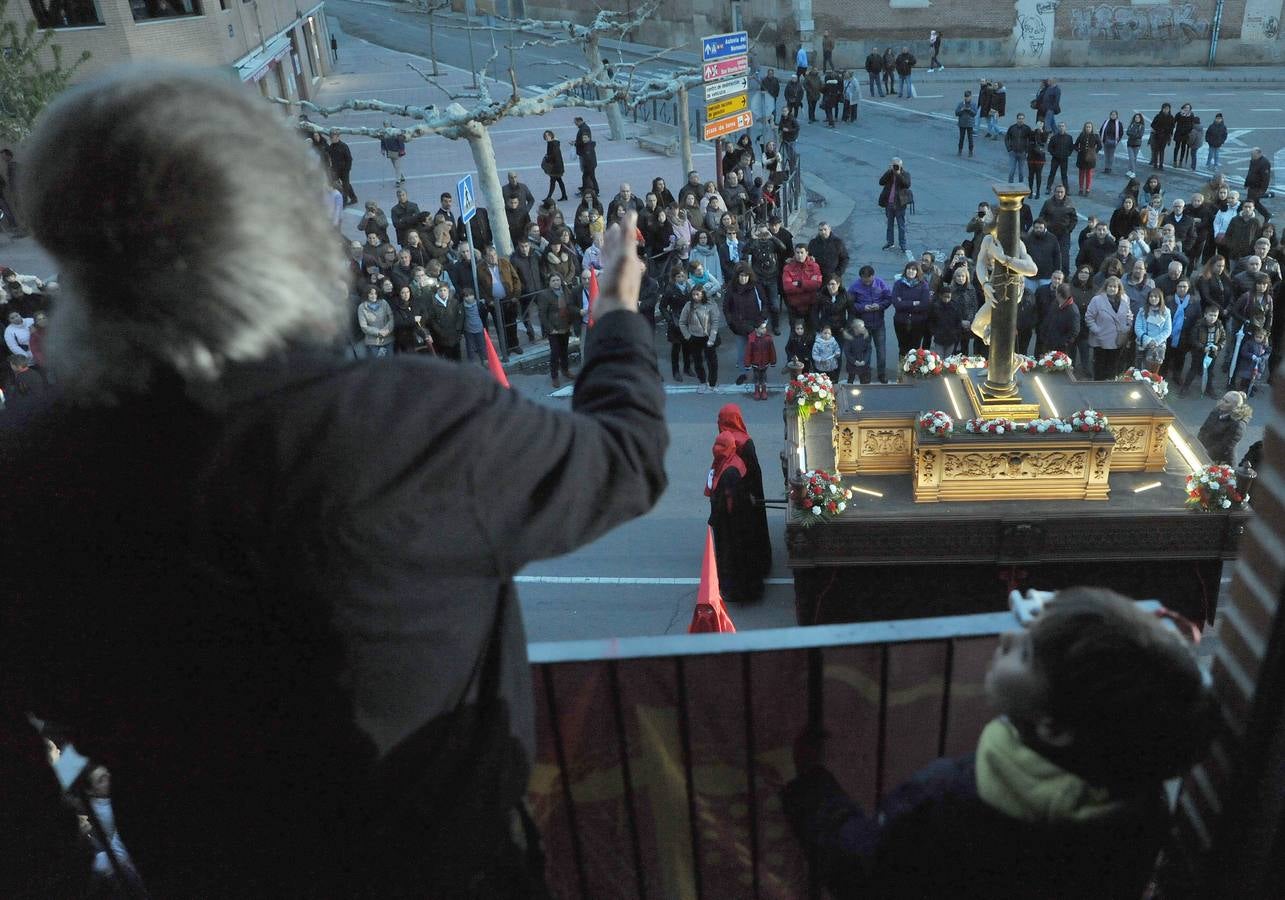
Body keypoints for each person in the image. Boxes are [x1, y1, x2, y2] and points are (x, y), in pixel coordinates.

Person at [2, 67, 669, 898]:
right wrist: (616, 311)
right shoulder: (411, 427)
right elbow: (627, 457)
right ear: (281, 234)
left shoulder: (29, 471)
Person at [784, 587, 1215, 900]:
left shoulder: (947, 799)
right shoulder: (1139, 800)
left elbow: (861, 868)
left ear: (1053, 726)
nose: (1007, 638)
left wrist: (811, 788)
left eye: (1026, 654)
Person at [706, 433, 762, 604]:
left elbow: (728, 502)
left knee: (733, 557)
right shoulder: (733, 463)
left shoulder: (729, 471)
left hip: (732, 526)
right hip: (740, 522)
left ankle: (736, 591)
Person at [850, 265, 893, 383]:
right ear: (861, 278)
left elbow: (889, 298)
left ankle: (882, 374)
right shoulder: (855, 287)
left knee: (881, 351)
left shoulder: (881, 284)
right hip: (864, 326)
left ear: (873, 276)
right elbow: (850, 304)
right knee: (865, 352)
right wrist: (863, 308)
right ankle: (866, 374)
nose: (867, 283)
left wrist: (880, 306)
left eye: (869, 281)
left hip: (879, 324)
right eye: (864, 281)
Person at [1085, 275, 1133, 378]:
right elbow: (1089, 317)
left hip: (1117, 340)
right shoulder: (1097, 300)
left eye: (1115, 287)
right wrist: (1097, 330)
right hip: (1101, 340)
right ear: (1105, 287)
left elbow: (1129, 314)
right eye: (1110, 286)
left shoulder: (1125, 299)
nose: (1112, 289)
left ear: (1119, 288)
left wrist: (1127, 326)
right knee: (1100, 367)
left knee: (1113, 367)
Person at [679, 285, 724, 390]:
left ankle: (712, 383)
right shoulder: (688, 306)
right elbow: (682, 322)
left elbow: (715, 322)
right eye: (693, 294)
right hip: (694, 337)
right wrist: (688, 336)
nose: (695, 297)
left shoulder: (709, 305)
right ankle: (703, 381)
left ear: (702, 294)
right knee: (697, 361)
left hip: (708, 337)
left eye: (697, 294)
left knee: (712, 361)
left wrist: (712, 339)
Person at [1177, 303, 1225, 397]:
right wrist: (1203, 347)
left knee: (1210, 372)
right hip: (1198, 352)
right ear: (1205, 315)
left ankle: (1209, 389)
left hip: (1212, 352)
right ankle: (1185, 388)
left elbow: (1223, 338)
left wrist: (1218, 347)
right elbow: (1193, 339)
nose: (1212, 318)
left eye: (1215, 315)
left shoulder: (1219, 325)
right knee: (1193, 370)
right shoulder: (1199, 325)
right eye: (1210, 315)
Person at [1198, 391, 1252, 464]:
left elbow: (1224, 446)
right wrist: (1198, 444)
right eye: (1223, 399)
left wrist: (1205, 454)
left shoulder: (1238, 424)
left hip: (1219, 460)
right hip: (1203, 450)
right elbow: (1204, 429)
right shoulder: (1217, 411)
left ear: (1235, 407)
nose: (1222, 402)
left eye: (1226, 402)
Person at [892, 260, 932, 355]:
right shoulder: (899, 284)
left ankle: (912, 369)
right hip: (901, 321)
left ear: (918, 271)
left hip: (918, 322)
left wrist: (904, 303)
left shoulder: (923, 285)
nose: (911, 271)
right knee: (902, 347)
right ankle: (902, 368)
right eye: (909, 269)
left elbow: (924, 305)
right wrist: (914, 303)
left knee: (914, 349)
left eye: (914, 269)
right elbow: (896, 304)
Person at [879, 158, 912, 252]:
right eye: (893, 165)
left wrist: (898, 174)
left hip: (900, 205)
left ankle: (903, 244)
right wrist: (888, 171)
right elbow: (881, 182)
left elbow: (907, 184)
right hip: (889, 204)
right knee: (889, 225)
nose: (895, 167)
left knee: (901, 226)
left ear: (901, 166)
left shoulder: (905, 174)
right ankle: (890, 242)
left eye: (896, 165)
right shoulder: (889, 174)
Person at [745, 320, 777, 400]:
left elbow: (772, 351)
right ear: (756, 329)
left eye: (765, 328)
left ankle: (764, 391)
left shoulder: (768, 339)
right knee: (756, 377)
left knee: (763, 377)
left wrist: (773, 361)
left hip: (765, 363)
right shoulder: (752, 339)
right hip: (755, 363)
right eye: (762, 328)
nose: (764, 330)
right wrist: (747, 364)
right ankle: (756, 391)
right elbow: (748, 352)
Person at [325, 129, 358, 206]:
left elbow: (349, 158)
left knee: (345, 185)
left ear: (338, 137)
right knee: (341, 184)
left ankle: (344, 202)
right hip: (336, 169)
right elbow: (328, 154)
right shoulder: (331, 146)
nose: (331, 139)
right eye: (331, 137)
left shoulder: (344, 146)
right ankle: (354, 198)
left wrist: (347, 169)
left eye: (333, 137)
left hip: (344, 169)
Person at [1073, 121, 1102, 198]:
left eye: (1089, 127)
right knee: (1081, 174)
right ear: (1084, 128)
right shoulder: (1081, 135)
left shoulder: (1095, 136)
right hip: (1081, 157)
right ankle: (1081, 188)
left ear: (1092, 128)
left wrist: (1094, 152)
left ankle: (1088, 189)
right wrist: (1078, 150)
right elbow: (1075, 145)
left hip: (1090, 158)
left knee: (1089, 174)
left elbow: (1100, 146)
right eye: (1087, 127)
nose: (1088, 128)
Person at [573, 116, 599, 197]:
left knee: (589, 177)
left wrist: (576, 143)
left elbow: (589, 158)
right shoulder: (588, 143)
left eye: (576, 122)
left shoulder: (584, 130)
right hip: (589, 164)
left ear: (579, 121)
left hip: (589, 165)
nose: (575, 124)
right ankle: (589, 189)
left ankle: (593, 190)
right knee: (588, 177)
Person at [841, 319, 872, 384]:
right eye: (862, 326)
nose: (864, 328)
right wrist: (854, 361)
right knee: (850, 380)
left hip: (863, 363)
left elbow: (868, 350)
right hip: (852, 364)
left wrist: (865, 361)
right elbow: (847, 352)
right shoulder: (849, 337)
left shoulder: (865, 336)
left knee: (864, 381)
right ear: (856, 328)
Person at [1045, 122, 1073, 195]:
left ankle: (1067, 190)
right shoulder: (1054, 137)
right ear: (1058, 128)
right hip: (1055, 159)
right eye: (1060, 126)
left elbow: (1071, 148)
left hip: (1064, 159)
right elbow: (1049, 148)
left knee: (1064, 175)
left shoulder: (1069, 137)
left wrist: (1068, 154)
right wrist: (1054, 154)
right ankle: (1048, 188)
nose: (1061, 127)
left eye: (1063, 126)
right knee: (1052, 174)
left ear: (1065, 127)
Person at [1148, 103, 1174, 171]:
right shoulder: (1158, 116)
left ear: (1169, 109)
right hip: (1157, 136)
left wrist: (1169, 136)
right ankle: (1155, 164)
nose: (1166, 110)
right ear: (1162, 109)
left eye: (1167, 109)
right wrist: (1159, 129)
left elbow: (1172, 128)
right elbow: (1152, 125)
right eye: (1164, 108)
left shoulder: (1171, 117)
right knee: (1156, 151)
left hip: (1165, 137)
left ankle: (1161, 165)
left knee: (1162, 151)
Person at [1099, 111, 1124, 176]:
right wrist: (1103, 139)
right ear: (1110, 115)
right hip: (1106, 141)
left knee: (1111, 155)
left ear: (1117, 116)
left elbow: (1121, 133)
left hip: (1113, 142)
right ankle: (1106, 168)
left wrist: (1117, 141)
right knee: (1106, 155)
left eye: (1114, 114)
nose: (1113, 116)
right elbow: (1101, 130)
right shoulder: (1106, 122)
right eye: (1112, 114)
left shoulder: (1119, 123)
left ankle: (1109, 168)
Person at [955, 90, 978, 157]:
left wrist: (969, 110)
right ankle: (960, 150)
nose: (966, 98)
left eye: (968, 97)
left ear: (970, 97)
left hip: (970, 123)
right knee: (961, 137)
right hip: (962, 123)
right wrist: (962, 110)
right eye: (965, 96)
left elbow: (974, 114)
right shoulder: (961, 104)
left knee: (970, 138)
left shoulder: (973, 104)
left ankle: (970, 151)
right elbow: (956, 113)